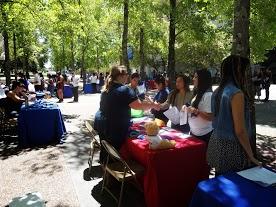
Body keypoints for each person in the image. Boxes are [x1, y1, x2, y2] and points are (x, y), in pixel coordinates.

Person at [207, 55, 261, 175]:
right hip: (232, 147)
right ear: (238, 71)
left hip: (217, 142)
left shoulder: (217, 91)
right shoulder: (236, 93)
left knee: (222, 180)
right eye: (245, 70)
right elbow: (240, 131)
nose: (247, 74)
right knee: (235, 182)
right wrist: (251, 155)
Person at [94, 65, 159, 160]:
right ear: (120, 76)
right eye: (126, 74)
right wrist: (153, 105)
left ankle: (106, 168)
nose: (127, 76)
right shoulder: (125, 90)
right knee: (113, 152)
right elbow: (138, 106)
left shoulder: (107, 88)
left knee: (106, 149)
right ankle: (111, 170)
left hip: (102, 124)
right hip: (113, 128)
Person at [183, 69, 213, 143]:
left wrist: (195, 111)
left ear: (202, 79)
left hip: (205, 136)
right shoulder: (197, 93)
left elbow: (210, 117)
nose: (193, 79)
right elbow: (191, 105)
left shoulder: (208, 95)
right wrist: (185, 107)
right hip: (194, 133)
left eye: (196, 77)